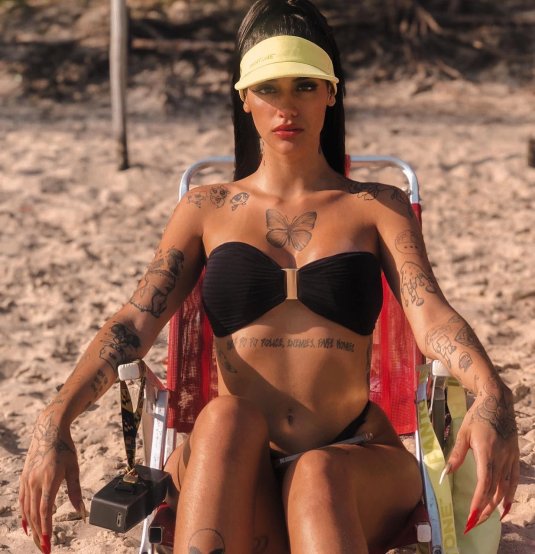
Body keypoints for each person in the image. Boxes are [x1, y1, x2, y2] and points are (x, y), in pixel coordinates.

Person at [19, 1, 519, 552]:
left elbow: (432, 317)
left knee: (317, 474)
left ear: (331, 93)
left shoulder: (377, 206)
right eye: (268, 89)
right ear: (245, 99)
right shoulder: (206, 208)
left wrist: (491, 393)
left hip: (353, 457)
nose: (287, 107)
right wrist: (54, 420)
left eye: (305, 86)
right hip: (237, 464)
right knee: (223, 418)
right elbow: (133, 323)